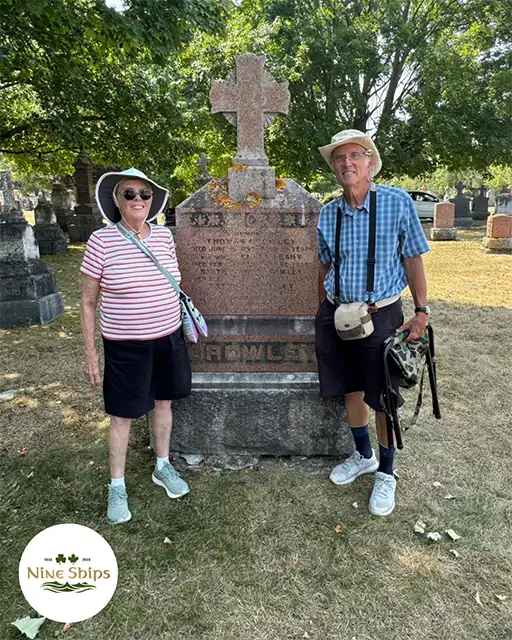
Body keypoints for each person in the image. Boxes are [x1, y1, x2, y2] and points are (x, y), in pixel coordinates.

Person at [316, 130, 430, 516]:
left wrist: (421, 310)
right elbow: (325, 265)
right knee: (350, 388)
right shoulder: (329, 212)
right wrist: (323, 310)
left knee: (383, 398)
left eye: (354, 155)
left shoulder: (397, 202)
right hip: (338, 314)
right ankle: (363, 455)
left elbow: (413, 258)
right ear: (334, 166)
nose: (346, 163)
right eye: (339, 158)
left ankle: (386, 471)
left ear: (369, 161)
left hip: (381, 315)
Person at [80, 168, 192, 524]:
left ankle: (162, 465)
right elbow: (88, 302)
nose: (138, 200)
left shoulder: (164, 237)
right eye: (129, 194)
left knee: (164, 403)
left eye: (144, 194)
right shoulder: (100, 241)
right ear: (117, 200)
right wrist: (90, 353)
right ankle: (117, 485)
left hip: (168, 337)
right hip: (125, 346)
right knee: (122, 416)